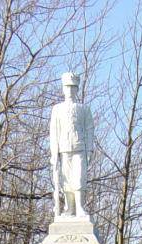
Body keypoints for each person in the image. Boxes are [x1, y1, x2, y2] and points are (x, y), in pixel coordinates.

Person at [50, 72, 94, 218]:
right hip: (63, 149)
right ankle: (69, 208)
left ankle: (80, 207)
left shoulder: (84, 109)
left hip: (79, 147)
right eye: (67, 87)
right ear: (63, 89)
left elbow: (89, 129)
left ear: (76, 89)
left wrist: (90, 150)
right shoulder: (57, 109)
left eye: (73, 87)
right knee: (66, 178)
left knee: (79, 177)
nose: (70, 90)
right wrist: (54, 153)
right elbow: (54, 132)